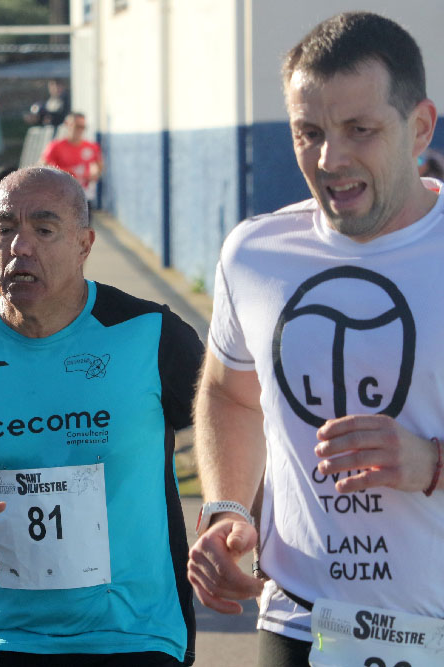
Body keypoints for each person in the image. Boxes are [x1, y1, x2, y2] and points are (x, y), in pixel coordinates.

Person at [186, 12, 444, 667]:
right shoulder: (255, 253)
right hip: (304, 623)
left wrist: (433, 462)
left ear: (419, 127)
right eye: (309, 132)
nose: (331, 159)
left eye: (361, 130)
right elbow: (230, 394)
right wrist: (226, 510)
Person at [0, 167, 203, 665]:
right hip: (12, 635)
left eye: (43, 229)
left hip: (140, 631)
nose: (19, 246)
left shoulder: (149, 333)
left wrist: (240, 516)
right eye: (4, 229)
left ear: (84, 243)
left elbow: (236, 421)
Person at [41, 112, 103, 203]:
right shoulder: (55, 146)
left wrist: (94, 173)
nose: (80, 130)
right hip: (60, 196)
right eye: (77, 126)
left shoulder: (92, 147)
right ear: (67, 125)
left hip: (83, 195)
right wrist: (64, 172)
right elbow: (43, 166)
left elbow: (98, 167)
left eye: (83, 127)